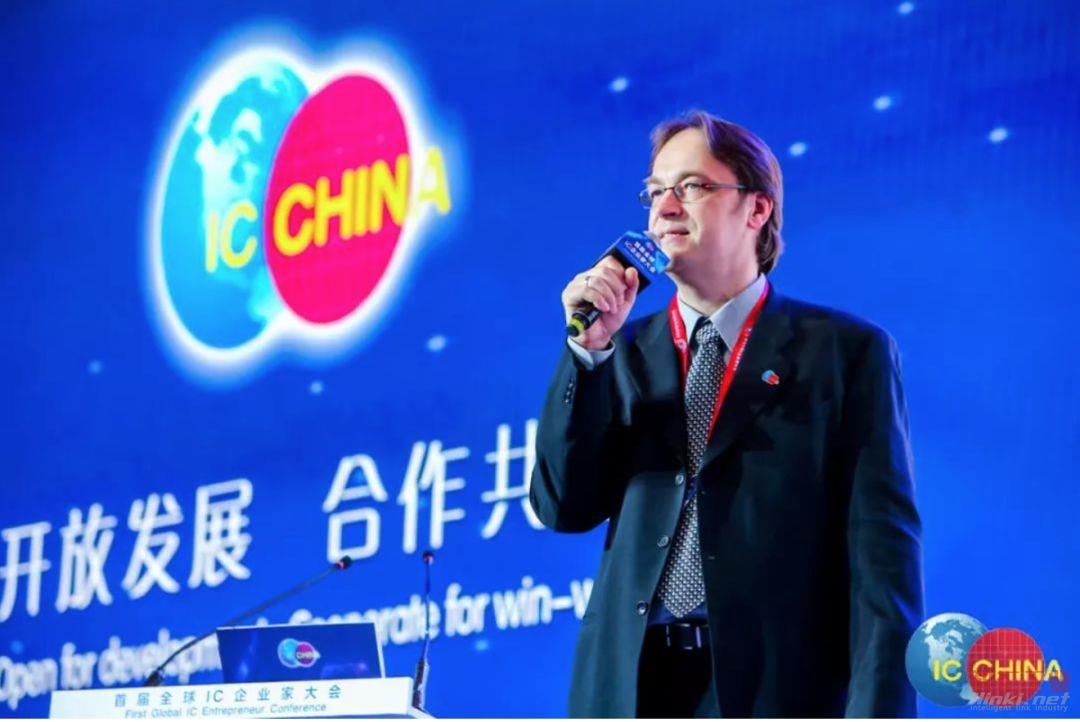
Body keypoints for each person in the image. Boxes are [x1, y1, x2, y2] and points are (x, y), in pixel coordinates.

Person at [529, 111, 924, 718]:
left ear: (757, 208)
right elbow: (563, 506)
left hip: (773, 690)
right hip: (630, 689)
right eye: (655, 192)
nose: (664, 209)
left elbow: (883, 564)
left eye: (691, 187)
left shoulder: (843, 353)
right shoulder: (619, 353)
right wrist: (587, 354)